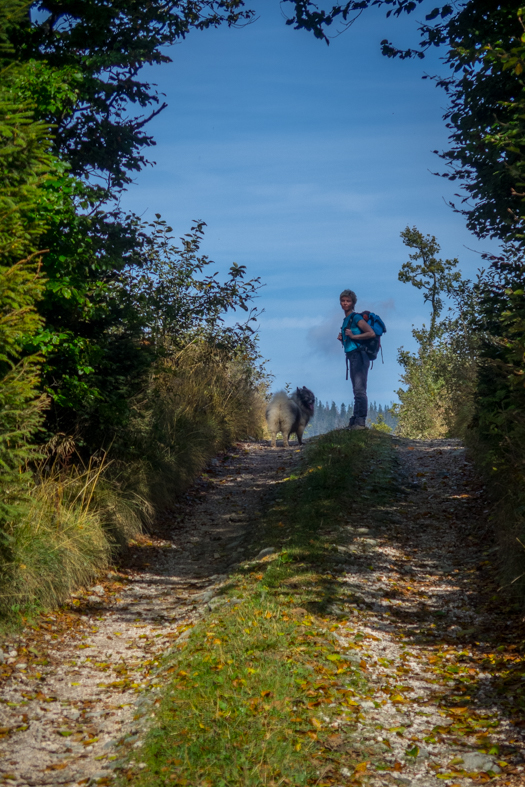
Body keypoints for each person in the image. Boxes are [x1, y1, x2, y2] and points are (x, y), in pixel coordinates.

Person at [337, 289, 375, 430]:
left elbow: (370, 333)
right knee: (356, 389)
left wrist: (353, 336)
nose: (345, 303)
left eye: (348, 301)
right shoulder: (346, 320)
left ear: (353, 303)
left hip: (360, 356)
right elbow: (350, 343)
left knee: (360, 390)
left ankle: (360, 421)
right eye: (343, 300)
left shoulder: (356, 318)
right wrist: (343, 339)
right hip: (352, 356)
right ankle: (355, 419)